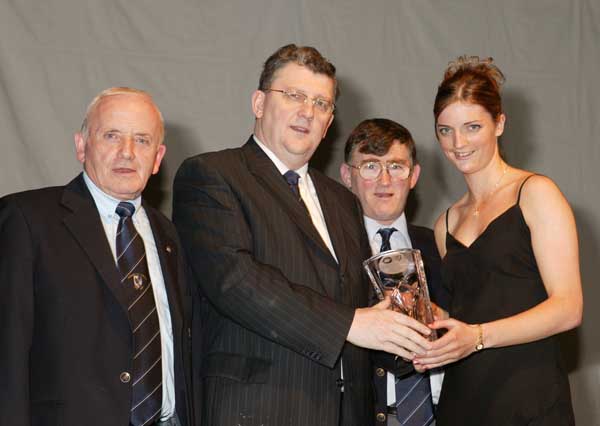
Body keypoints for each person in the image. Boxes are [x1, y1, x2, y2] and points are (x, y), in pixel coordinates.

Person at [172, 44, 432, 426]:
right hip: (260, 409)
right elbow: (235, 281)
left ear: (329, 123)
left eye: (321, 103)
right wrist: (351, 324)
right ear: (259, 103)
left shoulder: (342, 201)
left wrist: (410, 330)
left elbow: (359, 304)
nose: (307, 111)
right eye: (293, 95)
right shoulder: (211, 175)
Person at [0, 87, 195, 426]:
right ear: (81, 145)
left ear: (158, 158)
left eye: (142, 140)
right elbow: (7, 355)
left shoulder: (169, 235)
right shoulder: (27, 219)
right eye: (111, 136)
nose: (127, 152)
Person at [413, 56, 583, 425]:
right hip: (463, 401)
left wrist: (476, 336)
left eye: (472, 127)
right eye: (445, 130)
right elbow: (472, 309)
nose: (458, 143)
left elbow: (569, 308)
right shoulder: (444, 223)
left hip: (530, 396)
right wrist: (428, 321)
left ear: (500, 123)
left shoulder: (536, 193)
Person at [340, 118, 450, 426]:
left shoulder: (442, 245)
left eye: (397, 167)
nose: (385, 181)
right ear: (348, 176)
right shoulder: (329, 254)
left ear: (414, 175)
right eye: (371, 167)